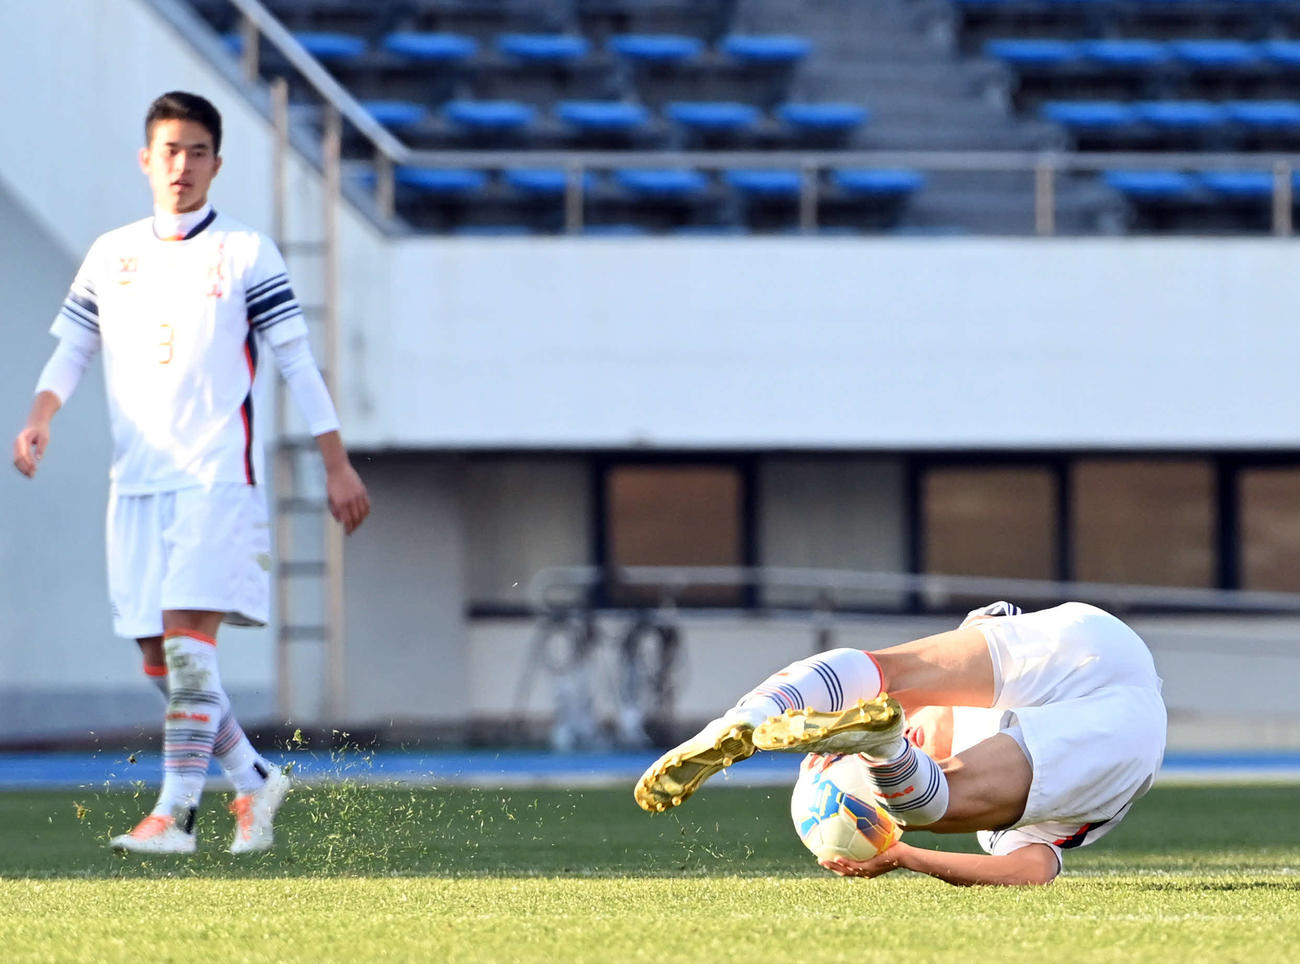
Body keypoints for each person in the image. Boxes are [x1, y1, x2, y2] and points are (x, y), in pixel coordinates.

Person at [11, 91, 371, 855]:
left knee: (185, 647)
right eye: (169, 150)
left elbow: (296, 360)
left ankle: (174, 815)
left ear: (216, 161)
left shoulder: (245, 252)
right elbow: (73, 347)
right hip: (135, 484)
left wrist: (335, 461)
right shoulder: (112, 254)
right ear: (146, 158)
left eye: (197, 151)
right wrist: (41, 415)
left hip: (216, 480)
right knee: (155, 656)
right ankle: (251, 776)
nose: (182, 165)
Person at [635, 600, 1166, 885]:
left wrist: (902, 854)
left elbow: (989, 622)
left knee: (902, 710)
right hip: (1110, 659)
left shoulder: (970, 786)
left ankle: (828, 734)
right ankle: (756, 716)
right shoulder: (1001, 829)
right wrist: (904, 853)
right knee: (888, 677)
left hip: (1112, 694)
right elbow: (1034, 868)